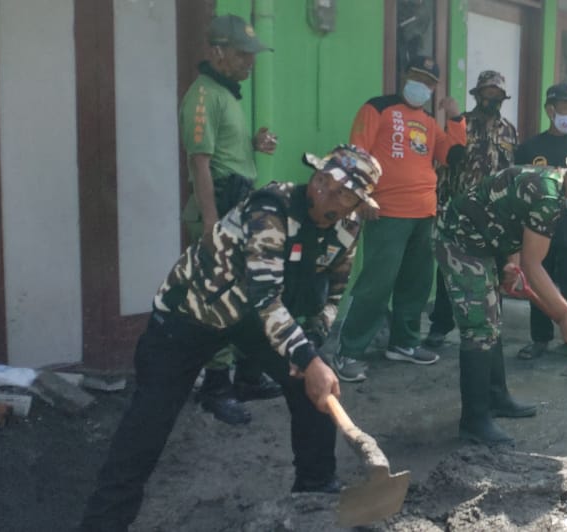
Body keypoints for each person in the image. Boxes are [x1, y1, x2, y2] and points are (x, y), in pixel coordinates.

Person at [80, 145, 381, 531]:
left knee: (313, 392)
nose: (326, 193)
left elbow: (336, 291)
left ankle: (315, 492)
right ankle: (102, 523)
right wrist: (309, 358)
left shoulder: (348, 228)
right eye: (324, 181)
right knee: (148, 425)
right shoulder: (271, 208)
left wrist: (313, 343)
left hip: (255, 321)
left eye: (343, 193)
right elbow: (264, 296)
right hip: (191, 313)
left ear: (357, 202)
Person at [435, 151, 567, 445]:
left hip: (488, 238)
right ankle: (474, 420)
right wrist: (564, 313)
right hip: (461, 239)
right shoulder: (548, 197)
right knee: (479, 327)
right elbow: (534, 266)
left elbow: (511, 216)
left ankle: (496, 398)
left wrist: (511, 261)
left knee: (492, 320)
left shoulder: (555, 184)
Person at [334, 55, 467, 381]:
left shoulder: (427, 121)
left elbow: (453, 156)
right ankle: (348, 351)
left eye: (428, 82)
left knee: (416, 284)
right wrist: (361, 197)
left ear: (434, 88)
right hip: (386, 212)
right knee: (376, 285)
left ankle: (404, 343)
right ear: (405, 75)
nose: (421, 85)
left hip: (424, 213)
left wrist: (456, 118)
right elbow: (355, 154)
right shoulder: (377, 108)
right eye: (416, 77)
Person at [179, 14, 282, 425]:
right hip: (218, 211)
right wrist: (209, 224)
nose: (250, 62)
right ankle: (216, 387)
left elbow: (225, 151)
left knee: (245, 295)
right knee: (217, 299)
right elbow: (200, 163)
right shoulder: (202, 97)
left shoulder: (228, 94)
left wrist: (254, 143)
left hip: (237, 208)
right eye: (243, 54)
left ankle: (248, 378)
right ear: (219, 52)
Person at [426, 70, 518, 349]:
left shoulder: (509, 131)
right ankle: (440, 326)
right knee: (449, 272)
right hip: (460, 210)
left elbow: (511, 171)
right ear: (477, 95)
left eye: (497, 95)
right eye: (487, 94)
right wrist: (441, 204)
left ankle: (492, 325)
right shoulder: (460, 125)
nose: (491, 99)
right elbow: (443, 165)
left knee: (496, 271)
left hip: (495, 214)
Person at [514, 82, 567, 368]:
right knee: (539, 287)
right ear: (550, 110)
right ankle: (540, 338)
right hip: (537, 233)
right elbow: (519, 195)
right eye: (565, 108)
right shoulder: (529, 149)